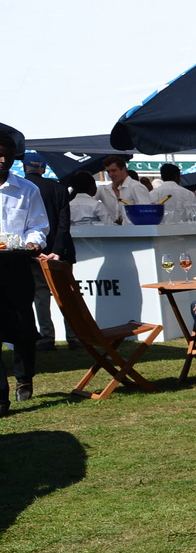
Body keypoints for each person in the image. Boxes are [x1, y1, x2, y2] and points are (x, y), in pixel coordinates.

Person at [0, 133, 49, 413]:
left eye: (7, 155)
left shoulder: (26, 189)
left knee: (22, 327)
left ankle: (24, 377)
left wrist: (34, 240)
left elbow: (38, 225)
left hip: (16, 265)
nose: (3, 160)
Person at [21, 152, 71, 351]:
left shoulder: (22, 189)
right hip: (59, 251)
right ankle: (75, 337)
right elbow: (64, 224)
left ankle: (46, 337)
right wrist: (57, 251)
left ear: (25, 168)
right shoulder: (58, 188)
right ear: (43, 168)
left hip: (32, 252)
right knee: (67, 295)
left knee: (41, 295)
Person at [95, 154, 152, 225]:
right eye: (108, 172)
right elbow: (87, 204)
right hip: (112, 233)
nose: (110, 175)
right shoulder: (103, 190)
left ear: (124, 169)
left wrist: (126, 221)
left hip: (135, 232)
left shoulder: (136, 187)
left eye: (113, 171)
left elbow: (147, 212)